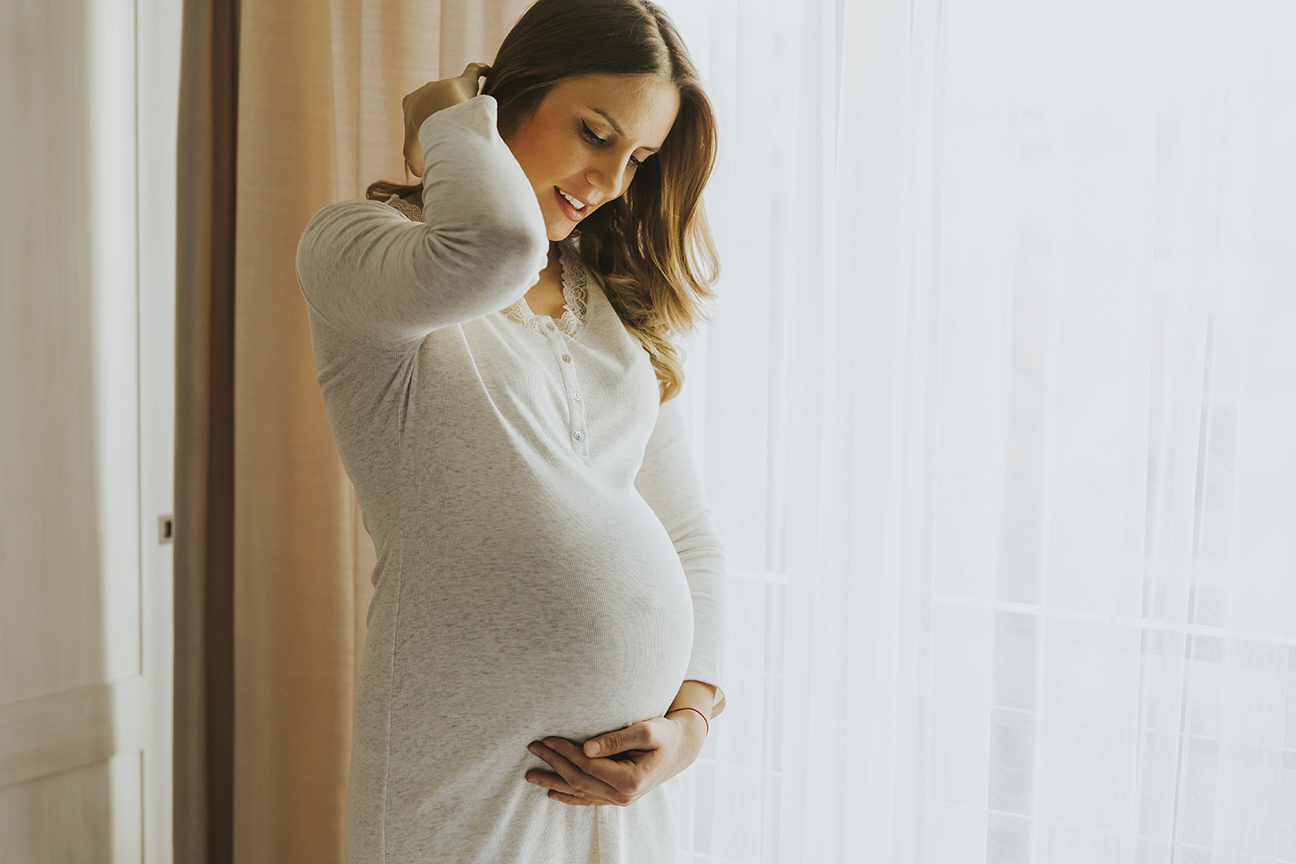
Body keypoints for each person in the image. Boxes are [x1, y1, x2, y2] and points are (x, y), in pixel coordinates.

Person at [294, 0, 728, 860]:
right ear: (511, 96)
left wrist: (690, 724)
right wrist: (444, 120)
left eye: (637, 157)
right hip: (462, 778)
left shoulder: (614, 306)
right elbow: (492, 244)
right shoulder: (357, 250)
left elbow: (690, 540)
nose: (609, 182)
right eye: (594, 133)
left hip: (623, 798)